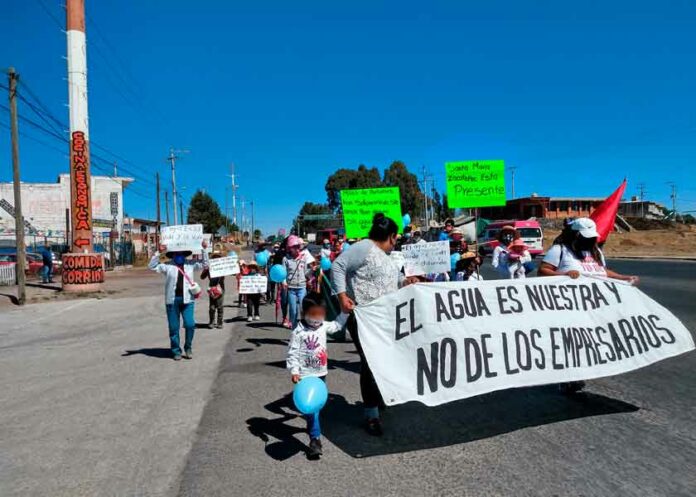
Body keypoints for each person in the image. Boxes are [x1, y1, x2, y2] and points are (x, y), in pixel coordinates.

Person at [332, 213, 416, 436]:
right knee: (370, 362)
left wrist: (406, 281)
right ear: (390, 236)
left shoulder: (385, 256)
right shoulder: (364, 248)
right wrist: (341, 296)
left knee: (382, 360)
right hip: (362, 317)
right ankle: (371, 414)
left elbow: (392, 280)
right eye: (395, 237)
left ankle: (378, 399)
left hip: (382, 318)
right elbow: (338, 266)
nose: (396, 241)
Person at [539, 217, 639, 393]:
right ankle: (568, 376)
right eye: (586, 236)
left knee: (589, 340)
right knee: (572, 341)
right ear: (576, 234)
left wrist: (623, 277)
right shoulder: (560, 250)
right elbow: (543, 271)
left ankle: (578, 373)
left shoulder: (595, 252)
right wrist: (565, 273)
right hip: (568, 306)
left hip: (593, 305)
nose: (590, 239)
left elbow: (601, 272)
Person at [286, 293, 348, 459]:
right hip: (305, 377)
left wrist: (345, 312)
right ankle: (315, 440)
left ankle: (313, 426)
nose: (316, 318)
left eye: (320, 314)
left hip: (320, 374)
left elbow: (336, 325)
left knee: (316, 407)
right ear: (304, 313)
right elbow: (292, 353)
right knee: (312, 410)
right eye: (313, 314)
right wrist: (294, 371)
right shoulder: (298, 332)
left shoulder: (323, 326)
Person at [149, 239, 208, 360]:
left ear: (184, 254)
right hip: (172, 301)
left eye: (181, 253)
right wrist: (158, 252)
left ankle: (188, 347)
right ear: (173, 255)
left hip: (188, 300)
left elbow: (205, 264)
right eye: (176, 253)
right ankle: (176, 350)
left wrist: (204, 249)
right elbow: (152, 266)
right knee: (173, 328)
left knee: (190, 324)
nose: (179, 255)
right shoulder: (168, 266)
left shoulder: (191, 264)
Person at [283, 235, 315, 328]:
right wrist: (284, 282)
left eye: (298, 247)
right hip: (291, 288)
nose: (297, 249)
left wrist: (312, 270)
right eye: (295, 247)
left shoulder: (304, 258)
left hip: (302, 287)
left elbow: (306, 272)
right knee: (293, 311)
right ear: (289, 248)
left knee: (302, 308)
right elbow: (283, 273)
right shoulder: (285, 259)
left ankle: (303, 329)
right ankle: (294, 329)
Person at [201, 252, 226, 329]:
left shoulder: (224, 267)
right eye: (215, 257)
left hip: (220, 288)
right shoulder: (209, 267)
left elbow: (233, 272)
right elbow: (202, 277)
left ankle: (219, 322)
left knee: (219, 306)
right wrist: (206, 270)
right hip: (212, 288)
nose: (216, 258)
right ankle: (212, 321)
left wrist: (235, 265)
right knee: (212, 307)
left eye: (218, 257)